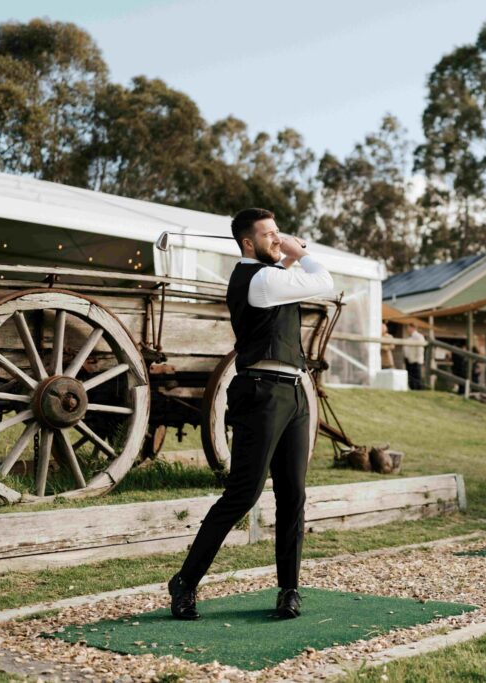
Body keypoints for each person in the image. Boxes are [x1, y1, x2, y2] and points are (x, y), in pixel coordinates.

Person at [168, 208, 333, 621]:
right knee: (243, 494)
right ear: (247, 243)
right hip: (261, 394)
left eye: (279, 233)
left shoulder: (270, 276)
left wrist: (286, 255)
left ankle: (288, 589)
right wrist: (302, 251)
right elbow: (323, 283)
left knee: (293, 493)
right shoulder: (258, 279)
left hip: (294, 393)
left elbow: (285, 276)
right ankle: (185, 582)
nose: (278, 240)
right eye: (269, 235)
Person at [405, 322, 425, 390]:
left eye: (408, 327)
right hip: (409, 360)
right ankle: (413, 388)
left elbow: (420, 349)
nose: (407, 329)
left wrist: (417, 358)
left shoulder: (419, 336)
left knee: (416, 376)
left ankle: (418, 389)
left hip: (416, 360)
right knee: (411, 376)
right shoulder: (410, 337)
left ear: (412, 328)